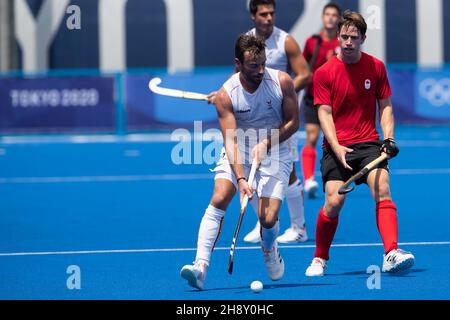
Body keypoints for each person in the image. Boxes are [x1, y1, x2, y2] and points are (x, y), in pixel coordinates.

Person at [181, 34, 299, 290]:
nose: (260, 70)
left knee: (267, 218)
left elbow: (293, 123)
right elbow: (231, 142)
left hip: (276, 150)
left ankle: (269, 249)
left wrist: (267, 143)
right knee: (221, 196)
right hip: (240, 150)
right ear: (238, 63)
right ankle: (200, 267)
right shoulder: (226, 95)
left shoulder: (282, 82)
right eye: (253, 66)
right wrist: (242, 179)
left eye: (263, 64)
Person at [304, 11, 415, 277]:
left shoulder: (376, 67)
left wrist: (388, 139)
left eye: (354, 37)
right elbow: (324, 113)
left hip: (368, 144)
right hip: (336, 147)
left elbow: (385, 106)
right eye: (344, 37)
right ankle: (319, 258)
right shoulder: (324, 72)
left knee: (383, 187)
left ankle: (390, 253)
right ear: (339, 37)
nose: (348, 42)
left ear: (363, 38)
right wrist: (337, 146)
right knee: (333, 203)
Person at [240, 0, 311, 244]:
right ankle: (262, 222)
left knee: (288, 171)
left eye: (272, 13)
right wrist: (222, 94)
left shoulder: (285, 41)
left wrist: (283, 91)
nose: (269, 18)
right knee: (252, 167)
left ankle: (299, 227)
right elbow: (237, 75)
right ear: (253, 16)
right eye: (263, 14)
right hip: (254, 117)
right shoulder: (246, 42)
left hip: (282, 117)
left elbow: (304, 74)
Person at [301, 2, 341, 199]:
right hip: (312, 97)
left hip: (335, 101)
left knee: (336, 140)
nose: (331, 18)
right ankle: (309, 180)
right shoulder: (312, 42)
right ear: (323, 18)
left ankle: (338, 178)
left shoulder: (344, 43)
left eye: (334, 15)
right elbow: (301, 66)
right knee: (311, 136)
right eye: (328, 14)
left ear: (338, 19)